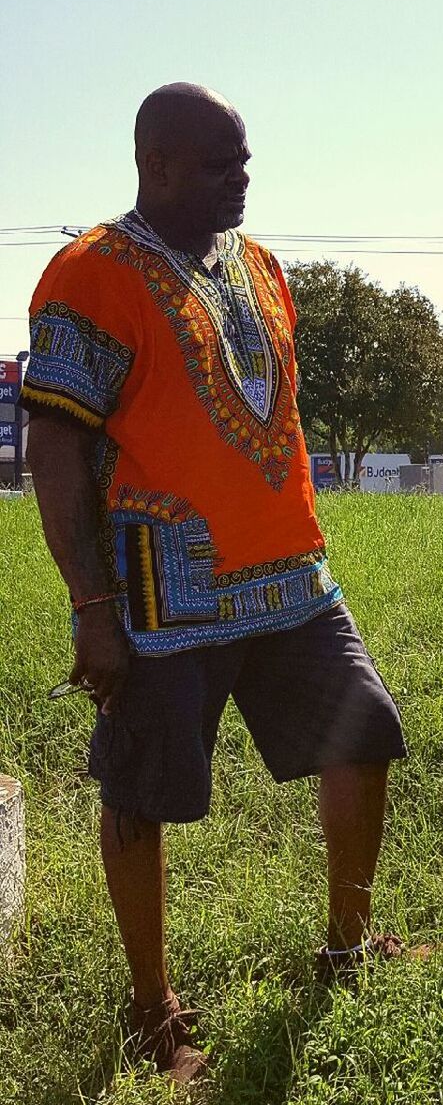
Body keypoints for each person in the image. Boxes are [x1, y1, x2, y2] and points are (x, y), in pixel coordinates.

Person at [20, 83, 409, 1085]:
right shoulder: (89, 273)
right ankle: (153, 1014)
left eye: (245, 160)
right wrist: (92, 609)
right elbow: (54, 449)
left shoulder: (263, 266)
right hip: (164, 595)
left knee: (364, 734)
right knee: (140, 795)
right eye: (220, 163)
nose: (244, 178)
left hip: (293, 583)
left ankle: (348, 946)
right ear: (157, 168)